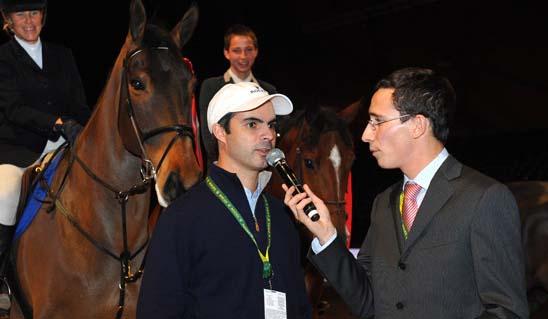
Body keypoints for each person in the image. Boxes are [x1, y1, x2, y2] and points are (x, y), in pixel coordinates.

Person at [283, 67, 529, 318]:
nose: (366, 135)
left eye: (377, 121)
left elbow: (507, 312)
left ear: (417, 125)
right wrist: (325, 234)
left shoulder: (485, 198)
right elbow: (368, 302)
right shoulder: (384, 203)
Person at [137, 82, 311, 318]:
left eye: (271, 125)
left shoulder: (283, 216)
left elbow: (300, 307)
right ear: (220, 132)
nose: (268, 135)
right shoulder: (182, 218)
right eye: (252, 124)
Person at [0, 0, 90, 311]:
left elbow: (79, 104)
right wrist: (55, 123)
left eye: (34, 13)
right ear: (8, 19)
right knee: (5, 195)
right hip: (19, 150)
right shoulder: (3, 59)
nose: (29, 20)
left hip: (63, 145)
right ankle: (1, 278)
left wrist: (83, 128)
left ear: (43, 16)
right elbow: (13, 109)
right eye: (21, 14)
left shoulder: (63, 55)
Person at [198, 24, 277, 167]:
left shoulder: (269, 90)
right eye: (236, 50)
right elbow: (208, 137)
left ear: (256, 52)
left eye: (248, 50)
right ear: (226, 53)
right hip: (223, 171)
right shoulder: (211, 87)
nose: (243, 56)